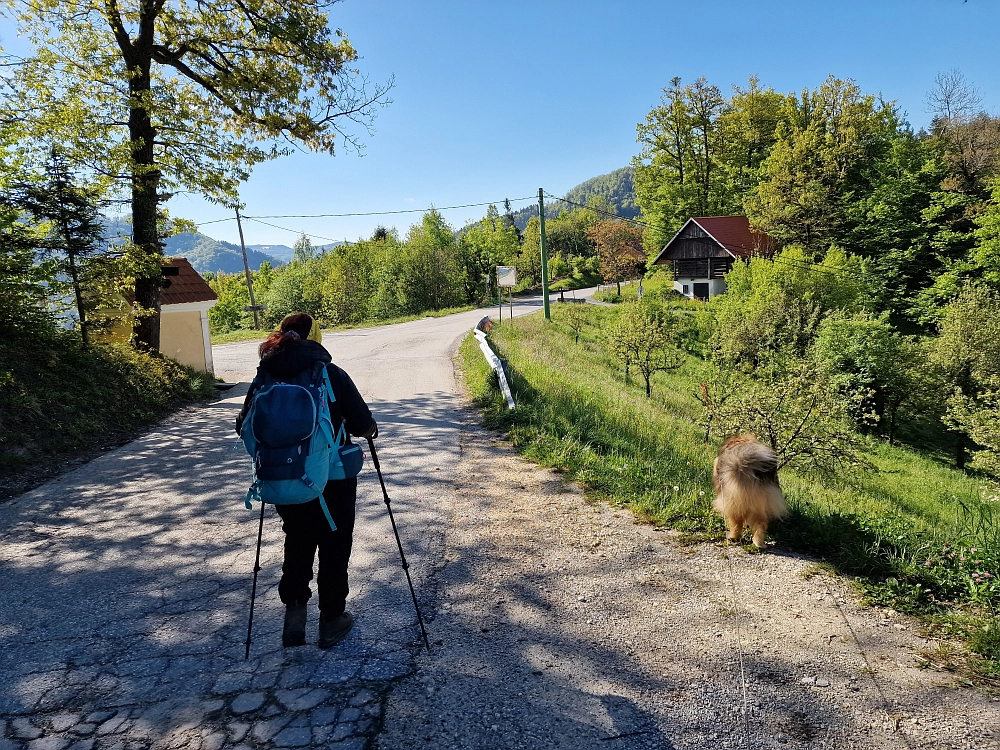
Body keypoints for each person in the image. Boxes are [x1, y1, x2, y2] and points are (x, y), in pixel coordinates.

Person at [236, 313, 377, 649]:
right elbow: (361, 424)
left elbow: (243, 424)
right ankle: (332, 619)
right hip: (332, 477)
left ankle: (295, 616)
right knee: (334, 543)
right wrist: (370, 429)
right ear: (315, 336)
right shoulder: (329, 374)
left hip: (282, 475)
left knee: (297, 538)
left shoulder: (265, 375)